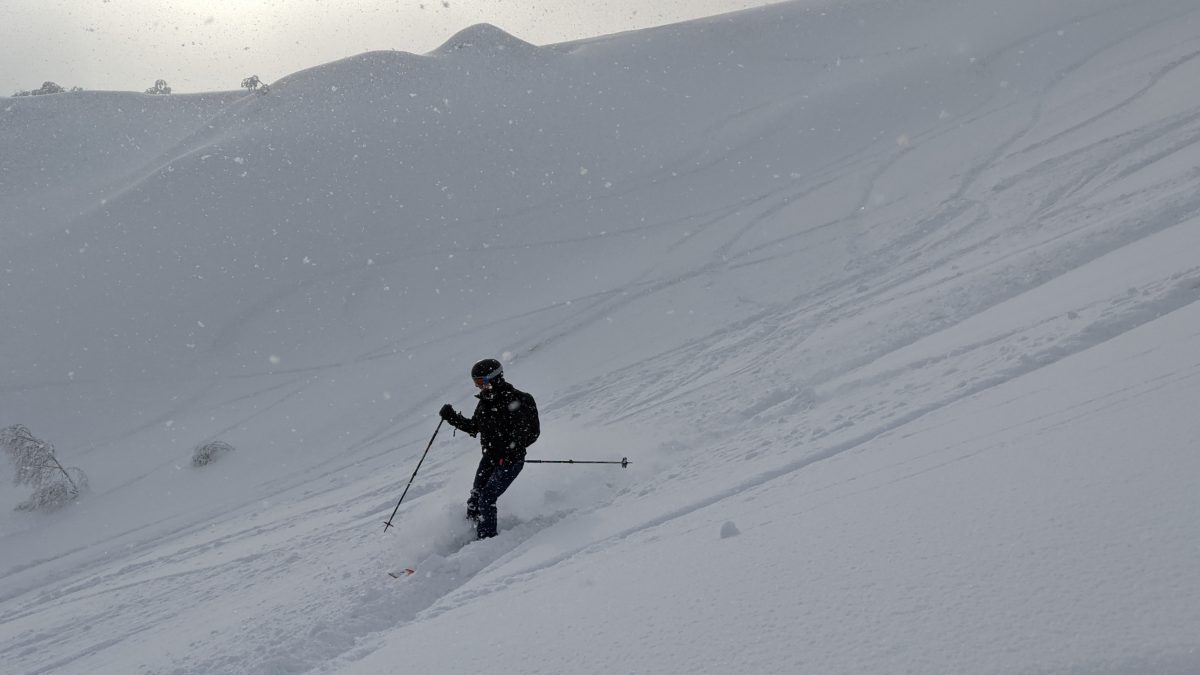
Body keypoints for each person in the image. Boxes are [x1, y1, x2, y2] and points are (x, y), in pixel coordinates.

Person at [439, 359, 539, 539]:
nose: (479, 387)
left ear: (495, 378)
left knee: (486, 497)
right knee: (475, 498)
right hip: (490, 458)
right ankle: (470, 534)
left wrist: (511, 451)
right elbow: (473, 427)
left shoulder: (518, 400)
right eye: (476, 383)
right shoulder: (484, 403)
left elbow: (531, 433)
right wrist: (451, 417)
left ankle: (486, 539)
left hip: (510, 461)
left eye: (482, 382)